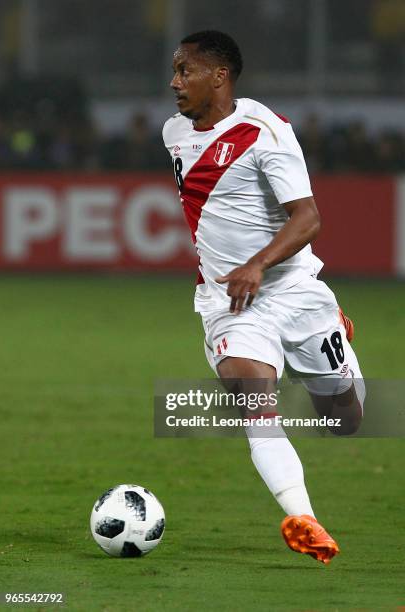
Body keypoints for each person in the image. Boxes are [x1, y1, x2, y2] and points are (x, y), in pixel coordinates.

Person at [162, 30, 365, 565]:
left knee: (345, 419)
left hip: (295, 292)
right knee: (256, 401)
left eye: (186, 71)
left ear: (219, 76)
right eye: (175, 70)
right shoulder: (173, 132)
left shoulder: (264, 132)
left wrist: (257, 263)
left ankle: (336, 339)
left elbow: (309, 217)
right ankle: (304, 517)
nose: (174, 82)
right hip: (227, 301)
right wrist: (234, 271)